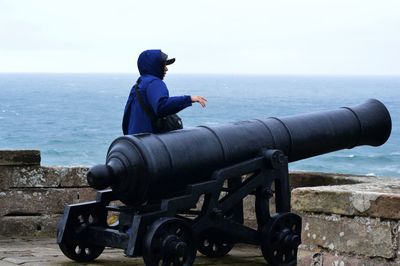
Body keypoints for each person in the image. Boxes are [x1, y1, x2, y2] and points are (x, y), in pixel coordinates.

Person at [122, 49, 207, 135]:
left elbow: (127, 117)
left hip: (134, 140)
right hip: (148, 141)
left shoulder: (139, 84)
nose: (166, 69)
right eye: (163, 65)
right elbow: (161, 106)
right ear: (154, 66)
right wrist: (189, 99)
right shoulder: (154, 83)